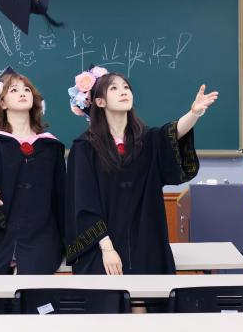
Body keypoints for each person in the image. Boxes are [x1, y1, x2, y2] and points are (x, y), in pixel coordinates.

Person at [65, 67, 218, 277]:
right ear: (99, 101)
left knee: (150, 292)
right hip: (103, 246)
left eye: (126, 87)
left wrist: (194, 113)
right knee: (108, 292)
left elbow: (173, 134)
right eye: (114, 88)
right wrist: (107, 249)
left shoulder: (146, 140)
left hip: (146, 239)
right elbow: (84, 202)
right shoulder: (85, 147)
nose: (123, 91)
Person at [0, 66, 66, 314]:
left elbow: (61, 197)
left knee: (34, 296)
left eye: (27, 89)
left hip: (40, 235)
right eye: (14, 90)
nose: (22, 93)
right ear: (2, 103)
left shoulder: (50, 147)